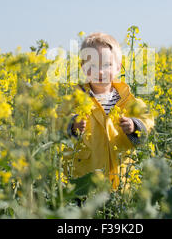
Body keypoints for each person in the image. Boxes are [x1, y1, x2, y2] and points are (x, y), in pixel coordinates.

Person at [62, 32, 154, 189]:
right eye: (92, 66)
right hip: (84, 181)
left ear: (118, 67)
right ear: (83, 68)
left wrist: (134, 126)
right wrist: (72, 125)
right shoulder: (74, 99)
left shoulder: (129, 101)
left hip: (120, 180)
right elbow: (57, 121)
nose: (100, 72)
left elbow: (148, 123)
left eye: (106, 65)